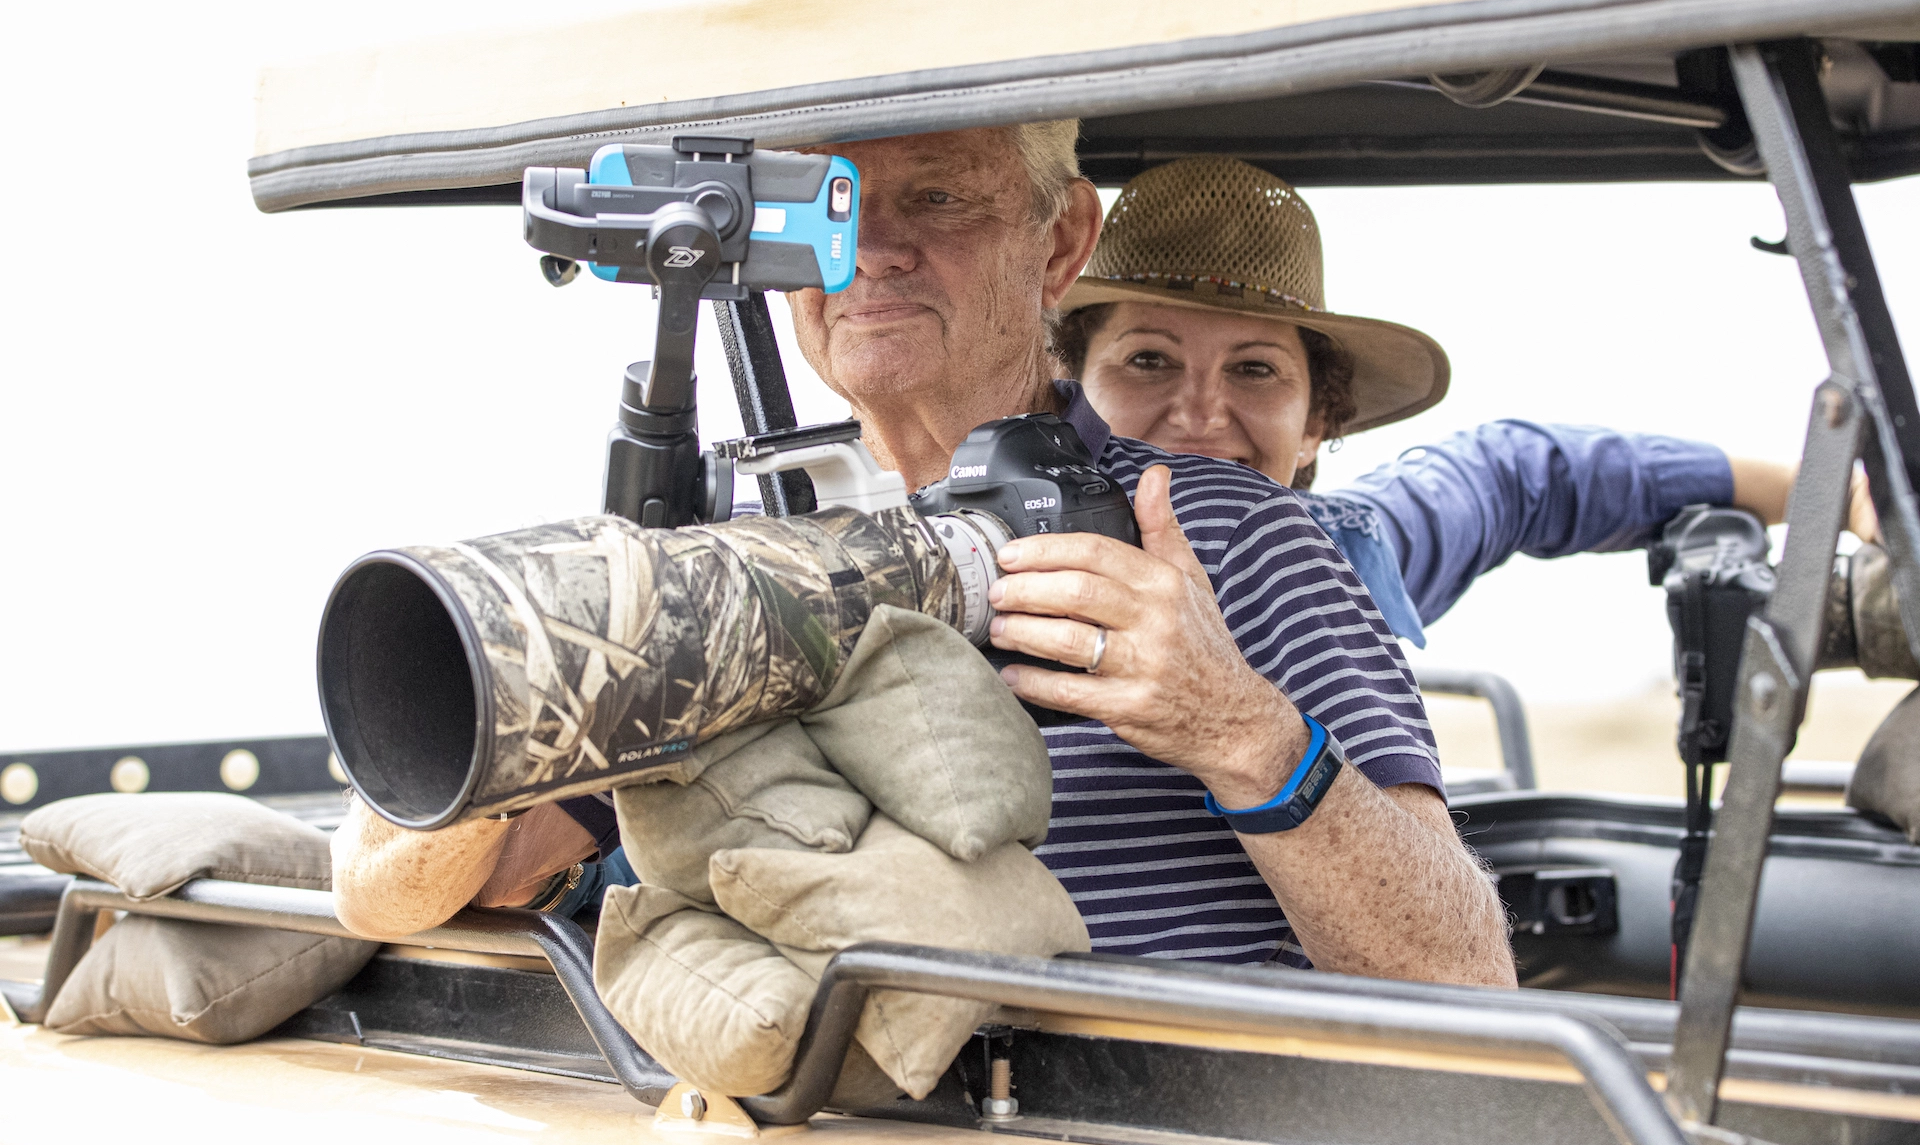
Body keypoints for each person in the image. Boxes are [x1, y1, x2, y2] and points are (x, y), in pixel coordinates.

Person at [335, 121, 1516, 988]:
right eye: (830, 201)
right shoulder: (750, 554)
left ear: (1060, 244)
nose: (876, 249)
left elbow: (1463, 979)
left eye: (942, 200)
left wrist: (1236, 728)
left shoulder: (1227, 534)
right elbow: (444, 887)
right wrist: (573, 657)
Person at [1050, 156, 1881, 647]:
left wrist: (1832, 493)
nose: (1200, 414)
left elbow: (1522, 475)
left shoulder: (1346, 560)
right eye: (1149, 360)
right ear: (1072, 393)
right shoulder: (988, 568)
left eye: (1256, 369)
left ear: (1318, 424)